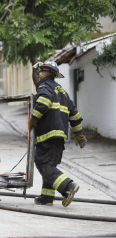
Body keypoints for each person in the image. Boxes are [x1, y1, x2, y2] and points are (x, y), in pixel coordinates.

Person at [29, 61, 87, 207]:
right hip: (60, 137)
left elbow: (43, 102)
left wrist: (33, 119)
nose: (39, 74)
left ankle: (68, 186)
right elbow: (74, 114)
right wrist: (78, 133)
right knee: (50, 165)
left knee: (43, 163)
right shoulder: (62, 92)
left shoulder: (44, 86)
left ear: (44, 72)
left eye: (40, 72)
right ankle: (47, 197)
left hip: (47, 135)